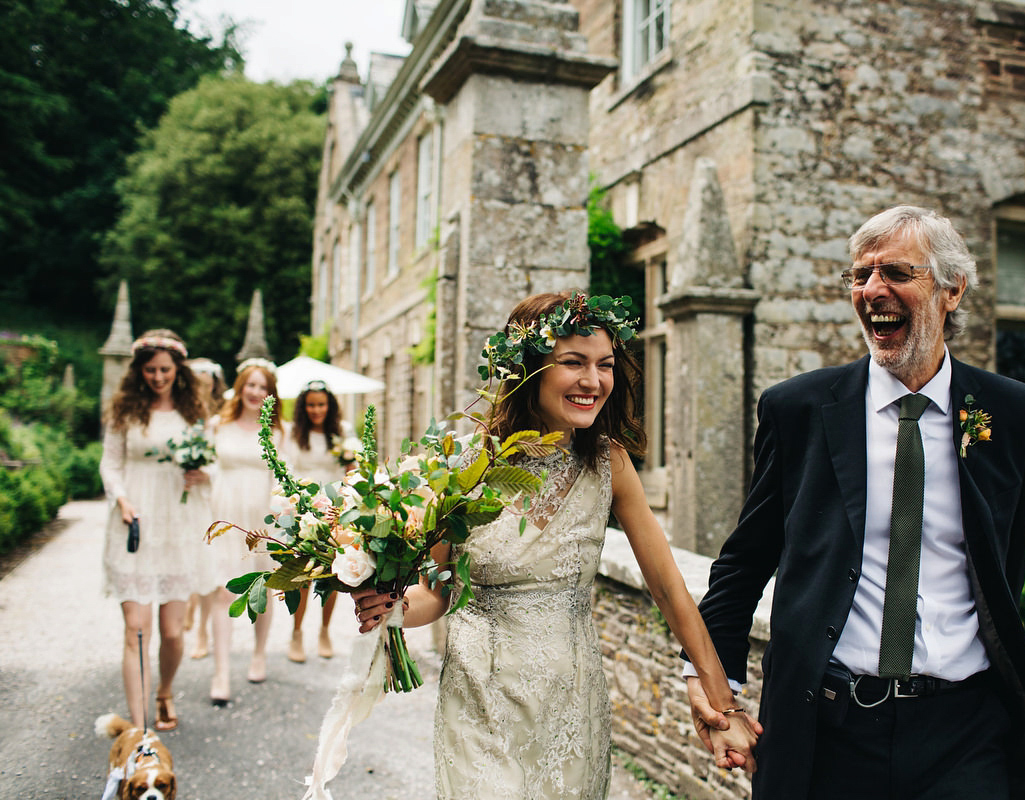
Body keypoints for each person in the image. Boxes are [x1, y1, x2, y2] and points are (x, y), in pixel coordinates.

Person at [685, 206, 1025, 799]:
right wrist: (711, 683)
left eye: (896, 274)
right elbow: (744, 563)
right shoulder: (798, 409)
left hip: (967, 732)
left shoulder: (1012, 413)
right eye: (860, 275)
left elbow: (1007, 560)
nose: (872, 290)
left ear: (952, 289)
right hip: (830, 728)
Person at [353, 291, 760, 799]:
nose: (593, 381)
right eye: (573, 363)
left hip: (571, 707)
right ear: (528, 368)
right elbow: (435, 593)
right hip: (480, 706)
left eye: (605, 365)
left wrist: (723, 706)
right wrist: (389, 605)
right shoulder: (463, 468)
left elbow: (670, 589)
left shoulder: (610, 464)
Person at [99, 329, 212, 732]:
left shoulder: (193, 414)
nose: (158, 377)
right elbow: (110, 463)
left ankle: (164, 689)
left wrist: (201, 473)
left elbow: (213, 465)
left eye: (164, 369)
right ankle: (141, 727)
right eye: (150, 370)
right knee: (136, 629)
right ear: (139, 371)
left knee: (172, 632)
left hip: (176, 524)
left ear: (177, 370)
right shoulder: (125, 412)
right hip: (135, 522)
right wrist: (120, 498)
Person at [204, 358, 284, 704]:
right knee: (223, 592)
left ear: (271, 394)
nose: (255, 392)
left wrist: (283, 517)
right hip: (224, 516)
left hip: (261, 519)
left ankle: (259, 653)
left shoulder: (280, 431)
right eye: (250, 385)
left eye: (262, 386)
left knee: (262, 589)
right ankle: (220, 672)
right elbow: (207, 466)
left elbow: (285, 475)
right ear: (240, 387)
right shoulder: (217, 424)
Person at [281, 380, 353, 662]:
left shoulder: (343, 433)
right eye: (311, 404)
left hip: (334, 510)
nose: (316, 409)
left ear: (330, 406)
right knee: (302, 574)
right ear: (303, 406)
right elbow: (286, 469)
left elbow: (351, 471)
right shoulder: (294, 433)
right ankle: (296, 633)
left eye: (321, 404)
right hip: (302, 508)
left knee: (331, 574)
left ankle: (324, 631)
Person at [182, 357, 226, 661]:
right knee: (188, 557)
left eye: (206, 385)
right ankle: (189, 602)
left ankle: (202, 631)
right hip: (186, 494)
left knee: (209, 561)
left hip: (215, 495)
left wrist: (209, 472)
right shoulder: (181, 413)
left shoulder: (225, 415)